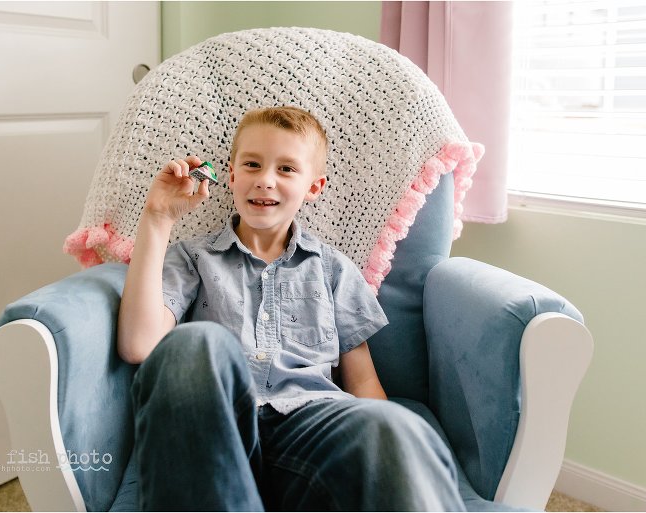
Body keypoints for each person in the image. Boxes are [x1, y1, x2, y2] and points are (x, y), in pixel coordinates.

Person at [118, 106, 465, 511]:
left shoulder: (333, 269)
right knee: (193, 343)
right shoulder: (193, 257)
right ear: (230, 175)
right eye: (252, 164)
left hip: (310, 427)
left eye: (286, 169)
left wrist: (381, 439)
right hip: (219, 429)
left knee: (398, 428)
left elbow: (364, 385)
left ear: (313, 187)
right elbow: (139, 346)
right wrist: (159, 218)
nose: (265, 180)